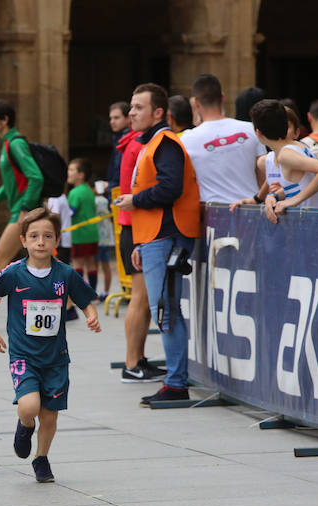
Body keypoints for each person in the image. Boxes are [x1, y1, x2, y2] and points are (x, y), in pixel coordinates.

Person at [0, 207, 100, 482]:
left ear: (56, 240)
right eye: (34, 236)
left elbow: (85, 300)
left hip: (56, 358)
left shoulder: (65, 274)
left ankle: (42, 458)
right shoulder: (13, 273)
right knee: (29, 407)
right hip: (24, 355)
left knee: (50, 416)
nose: (40, 242)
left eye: (47, 236)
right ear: (22, 240)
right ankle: (24, 426)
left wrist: (92, 315)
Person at [116, 82, 201, 405]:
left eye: (138, 107)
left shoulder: (164, 143)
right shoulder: (155, 143)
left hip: (165, 237)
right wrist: (142, 241)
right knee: (166, 310)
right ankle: (175, 381)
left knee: (165, 311)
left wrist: (135, 201)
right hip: (157, 237)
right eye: (131, 106)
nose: (131, 112)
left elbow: (170, 189)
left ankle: (177, 384)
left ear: (158, 112)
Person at [115, 115, 165, 384]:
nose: (134, 113)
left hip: (134, 227)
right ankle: (132, 364)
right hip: (135, 228)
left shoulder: (133, 143)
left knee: (143, 301)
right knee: (141, 299)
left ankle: (138, 360)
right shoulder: (139, 145)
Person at [231, 100, 318, 222]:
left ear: (258, 133)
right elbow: (291, 185)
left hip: (315, 224)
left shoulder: (287, 154)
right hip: (305, 225)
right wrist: (262, 198)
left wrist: (293, 201)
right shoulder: (271, 158)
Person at [0, 100, 44, 275]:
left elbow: (36, 177)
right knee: (39, 259)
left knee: (0, 258)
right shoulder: (8, 143)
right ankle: (67, 299)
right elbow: (12, 181)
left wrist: (25, 209)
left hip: (24, 211)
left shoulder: (15, 144)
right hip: (23, 210)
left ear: (4, 120)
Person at [180, 74, 266, 206]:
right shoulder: (250, 129)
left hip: (213, 213)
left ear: (196, 103)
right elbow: (263, 175)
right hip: (250, 208)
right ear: (223, 97)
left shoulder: (186, 139)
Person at [66, 158, 98, 292]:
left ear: (81, 174)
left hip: (79, 234)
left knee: (77, 263)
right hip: (92, 233)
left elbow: (70, 212)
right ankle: (92, 292)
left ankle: (78, 293)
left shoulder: (74, 192)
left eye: (72, 170)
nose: (68, 172)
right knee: (91, 263)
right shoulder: (90, 191)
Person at [94, 182, 114, 301]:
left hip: (97, 238)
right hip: (106, 237)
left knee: (94, 266)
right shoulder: (106, 200)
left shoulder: (96, 201)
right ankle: (106, 291)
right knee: (106, 266)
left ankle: (94, 291)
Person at [106, 101, 130, 195]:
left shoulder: (128, 139)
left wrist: (110, 186)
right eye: (111, 118)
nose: (112, 122)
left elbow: (120, 169)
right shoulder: (118, 138)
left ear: (128, 118)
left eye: (116, 118)